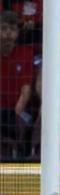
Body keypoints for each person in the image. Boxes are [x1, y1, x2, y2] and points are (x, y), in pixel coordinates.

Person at [0, 10, 35, 158]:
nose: (8, 33)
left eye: (12, 29)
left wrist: (14, 115)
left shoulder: (26, 53)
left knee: (22, 123)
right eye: (3, 28)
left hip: (17, 110)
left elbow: (25, 91)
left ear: (18, 32)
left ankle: (20, 155)